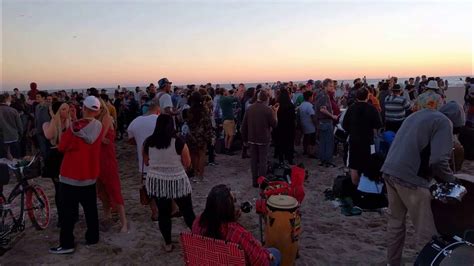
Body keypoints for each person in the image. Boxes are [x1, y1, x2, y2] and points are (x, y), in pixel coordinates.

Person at [381, 101, 465, 266]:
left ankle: (393, 262)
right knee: (426, 231)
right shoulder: (444, 122)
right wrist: (452, 180)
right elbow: (438, 160)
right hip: (410, 179)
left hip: (389, 171)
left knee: (396, 223)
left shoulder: (419, 114)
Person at [50, 96, 103, 254]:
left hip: (71, 176)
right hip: (89, 174)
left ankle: (67, 244)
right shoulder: (99, 126)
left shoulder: (74, 127)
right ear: (97, 110)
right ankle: (93, 238)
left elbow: (62, 147)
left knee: (67, 213)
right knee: (91, 209)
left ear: (83, 108)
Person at [143, 114, 195, 252]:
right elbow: (188, 163)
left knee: (163, 214)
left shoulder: (148, 142)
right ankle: (198, 237)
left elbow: (146, 161)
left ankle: (167, 244)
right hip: (177, 180)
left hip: (158, 182)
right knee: (187, 211)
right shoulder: (178, 142)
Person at [192, 184, 281, 266]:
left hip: (210, 262)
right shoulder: (237, 233)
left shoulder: (198, 222)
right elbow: (261, 262)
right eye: (233, 201)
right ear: (228, 209)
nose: (236, 205)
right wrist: (266, 254)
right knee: (275, 253)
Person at [96, 99, 128, 233]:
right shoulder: (93, 120)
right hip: (97, 160)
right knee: (102, 192)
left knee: (114, 190)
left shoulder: (106, 118)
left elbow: (97, 139)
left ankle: (124, 223)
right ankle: (107, 216)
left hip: (107, 160)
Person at [127, 98, 160, 221]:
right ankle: (166, 209)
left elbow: (130, 140)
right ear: (157, 109)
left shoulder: (135, 122)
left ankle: (155, 212)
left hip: (144, 162)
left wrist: (141, 142)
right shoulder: (160, 119)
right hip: (162, 160)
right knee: (164, 185)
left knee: (149, 187)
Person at [342, 88, 382, 185]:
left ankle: (355, 184)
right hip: (368, 140)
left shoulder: (351, 108)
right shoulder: (372, 109)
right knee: (369, 161)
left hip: (354, 140)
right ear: (368, 96)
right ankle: (366, 185)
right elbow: (378, 125)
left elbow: (344, 125)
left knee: (354, 163)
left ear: (356, 97)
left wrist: (352, 131)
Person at [42, 101, 71, 227]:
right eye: (63, 109)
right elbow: (49, 135)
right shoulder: (47, 124)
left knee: (69, 188)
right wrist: (54, 118)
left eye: (67, 109)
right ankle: (62, 216)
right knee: (59, 189)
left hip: (68, 158)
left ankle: (71, 214)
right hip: (55, 160)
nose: (67, 112)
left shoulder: (70, 123)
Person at [241, 91, 278, 187]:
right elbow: (274, 124)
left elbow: (243, 126)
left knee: (253, 160)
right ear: (266, 99)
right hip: (263, 139)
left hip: (252, 138)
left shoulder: (249, 109)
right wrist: (275, 113)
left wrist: (244, 140)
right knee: (263, 161)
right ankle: (262, 182)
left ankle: (254, 181)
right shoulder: (267, 109)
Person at [185, 92, 214, 182]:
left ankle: (195, 174)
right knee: (202, 155)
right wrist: (210, 136)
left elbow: (186, 123)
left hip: (191, 136)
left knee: (194, 155)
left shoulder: (189, 111)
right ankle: (201, 176)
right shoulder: (204, 111)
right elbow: (208, 124)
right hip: (202, 136)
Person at [315, 79, 338, 167]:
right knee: (328, 142)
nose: (332, 87)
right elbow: (322, 109)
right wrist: (332, 116)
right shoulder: (324, 96)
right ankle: (327, 161)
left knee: (323, 142)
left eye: (333, 86)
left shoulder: (320, 94)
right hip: (325, 121)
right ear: (325, 86)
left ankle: (323, 160)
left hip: (321, 122)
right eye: (330, 86)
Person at [274, 88, 295, 164]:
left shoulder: (277, 105)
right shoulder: (291, 106)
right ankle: (289, 159)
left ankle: (281, 159)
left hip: (280, 126)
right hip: (289, 126)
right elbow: (293, 117)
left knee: (280, 143)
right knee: (289, 143)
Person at [0, 93, 23, 159]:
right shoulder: (13, 111)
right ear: (6, 100)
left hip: (2, 139)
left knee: (2, 160)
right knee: (15, 159)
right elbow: (19, 126)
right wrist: (20, 134)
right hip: (13, 137)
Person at [220, 89, 240, 155]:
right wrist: (235, 93)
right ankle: (228, 149)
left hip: (225, 119)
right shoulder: (225, 99)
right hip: (229, 119)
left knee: (227, 135)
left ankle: (226, 148)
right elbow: (235, 99)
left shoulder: (221, 99)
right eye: (226, 91)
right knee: (231, 135)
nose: (227, 91)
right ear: (223, 92)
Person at [299, 91, 317, 158]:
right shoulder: (310, 106)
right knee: (312, 140)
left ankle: (305, 151)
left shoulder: (302, 104)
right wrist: (316, 125)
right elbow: (312, 116)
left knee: (306, 138)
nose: (313, 98)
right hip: (310, 126)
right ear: (310, 97)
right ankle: (311, 153)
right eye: (312, 96)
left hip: (304, 124)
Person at [35, 91, 52, 159]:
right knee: (42, 148)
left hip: (48, 130)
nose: (37, 98)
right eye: (36, 97)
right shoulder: (37, 106)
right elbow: (36, 118)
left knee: (48, 147)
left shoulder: (48, 106)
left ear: (43, 98)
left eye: (38, 97)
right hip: (39, 130)